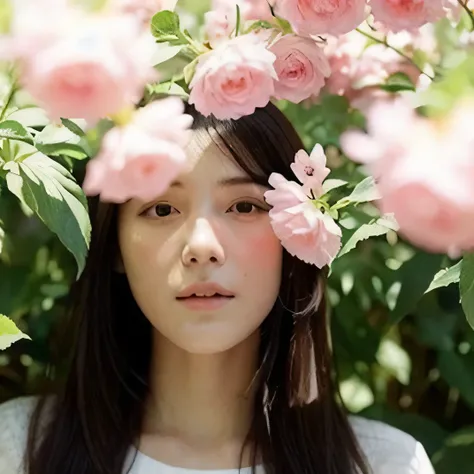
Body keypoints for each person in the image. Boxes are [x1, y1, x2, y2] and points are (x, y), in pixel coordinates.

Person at [0, 102, 435, 474]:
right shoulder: (17, 449)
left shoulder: (387, 464)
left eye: (244, 206)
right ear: (114, 243)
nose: (202, 247)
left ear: (297, 234)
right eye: (162, 208)